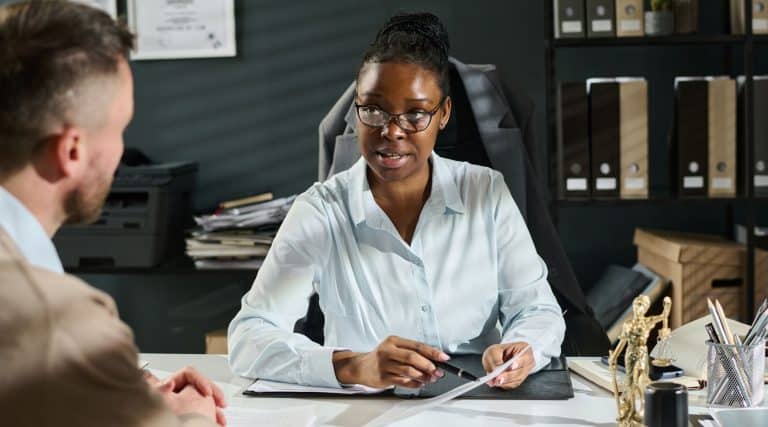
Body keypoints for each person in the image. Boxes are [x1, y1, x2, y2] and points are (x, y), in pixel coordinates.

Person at [228, 12, 565, 390]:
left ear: (443, 115)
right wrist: (354, 365)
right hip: (367, 411)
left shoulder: (485, 191)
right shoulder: (321, 211)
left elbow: (538, 309)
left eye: (416, 114)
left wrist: (522, 349)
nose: (391, 131)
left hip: (476, 406)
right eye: (373, 110)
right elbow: (248, 336)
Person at [0, 2, 225, 425]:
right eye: (121, 130)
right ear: (72, 151)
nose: (123, 150)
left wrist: (123, 385)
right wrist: (188, 418)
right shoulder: (61, 315)